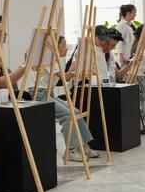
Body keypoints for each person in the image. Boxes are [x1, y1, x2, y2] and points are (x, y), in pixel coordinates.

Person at [11, 35, 100, 163]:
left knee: (75, 112)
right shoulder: (48, 60)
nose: (66, 48)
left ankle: (84, 145)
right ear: (54, 47)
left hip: (48, 93)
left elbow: (65, 78)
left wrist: (77, 66)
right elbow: (66, 78)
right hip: (39, 95)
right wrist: (75, 64)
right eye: (63, 45)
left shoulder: (54, 61)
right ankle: (71, 151)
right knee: (68, 115)